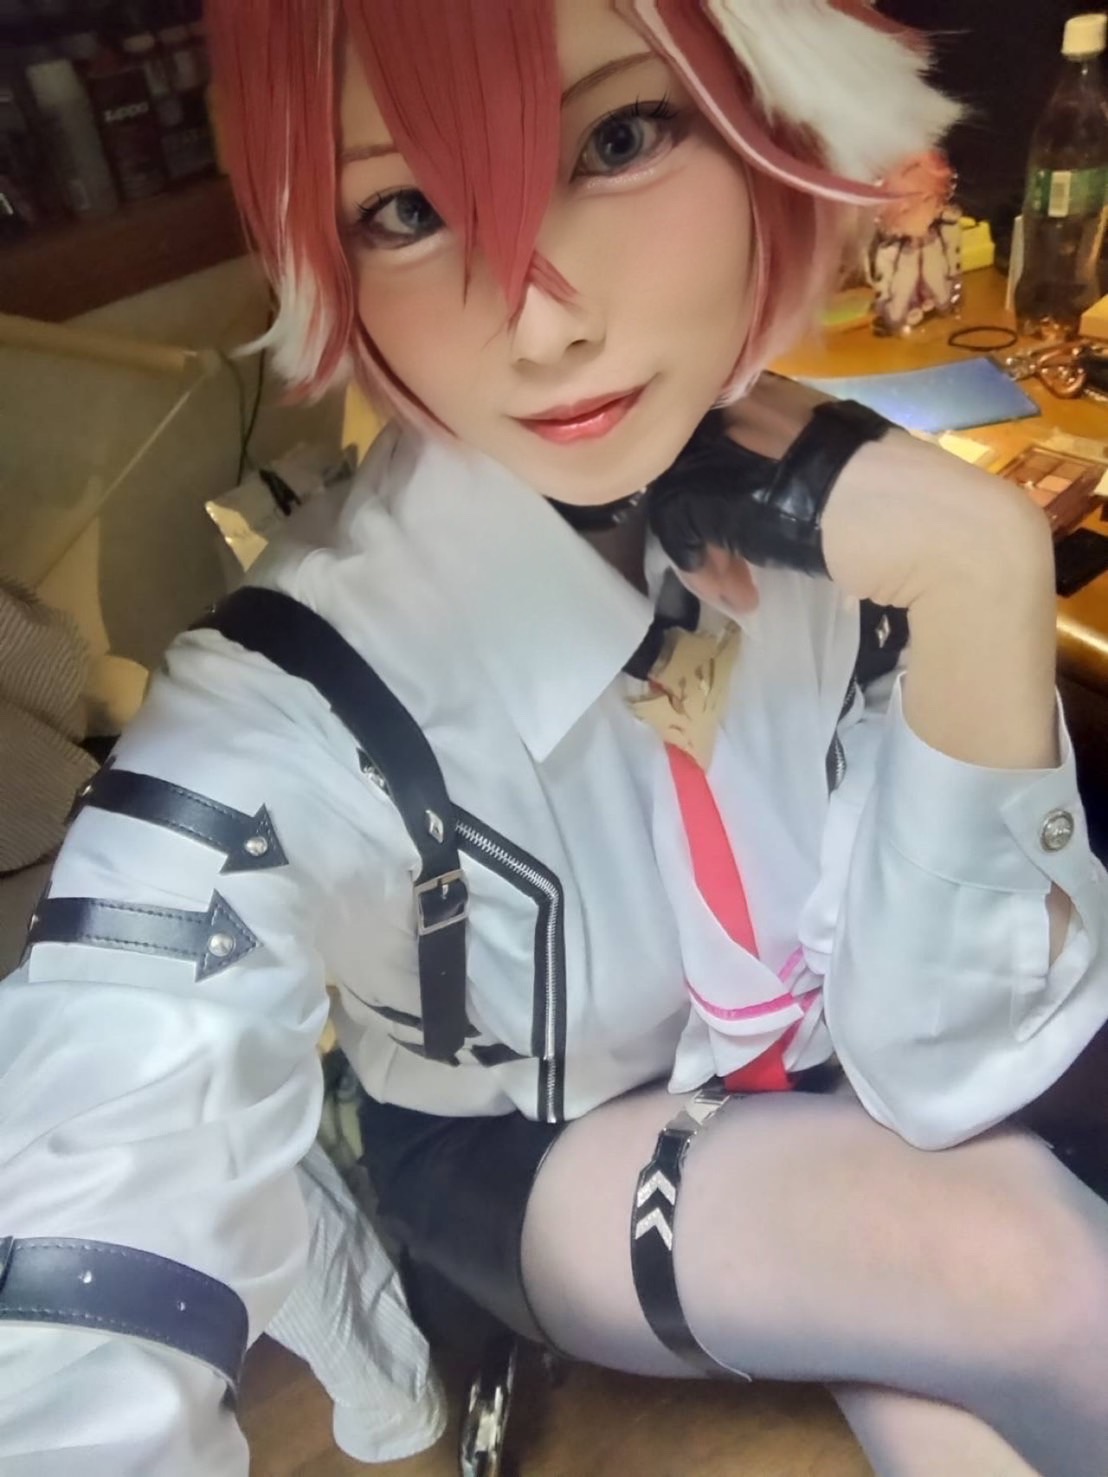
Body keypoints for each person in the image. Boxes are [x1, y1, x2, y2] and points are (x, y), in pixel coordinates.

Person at [2, 2, 1107, 1474]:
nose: (539, 322)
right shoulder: (295, 698)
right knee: (1022, 1263)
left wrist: (979, 569)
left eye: (621, 137)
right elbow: (101, 1152)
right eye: (405, 211)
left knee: (966, 1397)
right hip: (531, 1145)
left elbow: (948, 1065)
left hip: (819, 1069)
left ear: (768, 113)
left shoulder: (862, 522)